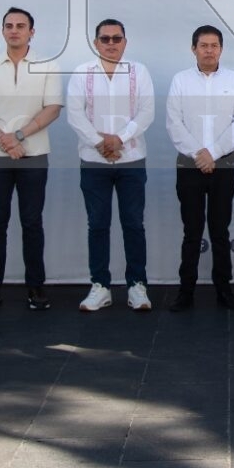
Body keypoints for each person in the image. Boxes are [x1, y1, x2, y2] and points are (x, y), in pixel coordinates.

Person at [0, 7, 63, 312]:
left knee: (32, 222)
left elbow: (52, 108)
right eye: (9, 25)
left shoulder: (47, 65)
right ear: (2, 30)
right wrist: (4, 140)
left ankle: (36, 287)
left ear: (32, 32)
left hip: (33, 155)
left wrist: (18, 137)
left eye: (21, 26)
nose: (14, 30)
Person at [68, 18, 156, 313]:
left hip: (131, 160)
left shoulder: (138, 71)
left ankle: (137, 286)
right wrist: (100, 143)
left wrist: (119, 139)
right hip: (94, 161)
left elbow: (146, 112)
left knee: (133, 224)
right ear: (96, 43)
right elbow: (75, 115)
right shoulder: (82, 73)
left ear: (125, 42)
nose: (111, 43)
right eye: (104, 39)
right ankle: (100, 286)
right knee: (98, 225)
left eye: (116, 38)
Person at [165, 24, 234, 311]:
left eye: (214, 45)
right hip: (189, 167)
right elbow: (174, 123)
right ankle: (185, 292)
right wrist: (198, 154)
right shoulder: (180, 80)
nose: (209, 50)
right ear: (193, 49)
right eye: (204, 45)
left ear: (221, 49)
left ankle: (224, 290)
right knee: (192, 231)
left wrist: (212, 153)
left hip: (223, 166)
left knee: (220, 231)